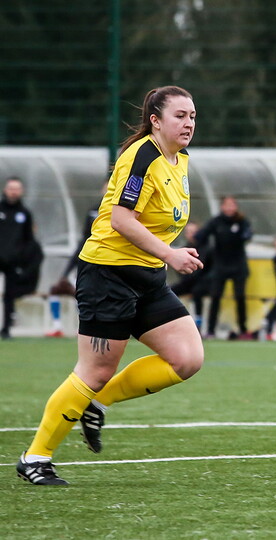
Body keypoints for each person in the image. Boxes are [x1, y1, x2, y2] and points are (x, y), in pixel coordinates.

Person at [16, 86, 204, 485]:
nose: (188, 123)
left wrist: (168, 250)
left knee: (187, 358)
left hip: (148, 276)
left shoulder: (180, 159)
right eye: (179, 116)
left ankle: (97, 405)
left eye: (192, 116)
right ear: (155, 120)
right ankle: (35, 458)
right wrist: (171, 255)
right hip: (108, 275)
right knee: (94, 372)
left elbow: (156, 220)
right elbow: (121, 220)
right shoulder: (142, 156)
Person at [45, 180, 107, 337]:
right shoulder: (94, 210)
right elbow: (85, 239)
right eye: (106, 187)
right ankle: (60, 326)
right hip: (89, 262)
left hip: (109, 263)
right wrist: (66, 274)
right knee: (58, 290)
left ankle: (96, 326)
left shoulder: (122, 210)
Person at [195, 195, 253, 339]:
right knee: (215, 297)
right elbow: (200, 236)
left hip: (239, 265)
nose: (229, 208)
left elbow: (248, 234)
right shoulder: (216, 222)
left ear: (236, 207)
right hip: (220, 265)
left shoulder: (241, 221)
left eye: (232, 205)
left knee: (240, 296)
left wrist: (245, 235)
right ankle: (211, 331)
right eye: (226, 205)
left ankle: (243, 330)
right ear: (222, 207)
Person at [0, 176, 44, 339]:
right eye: (11, 188)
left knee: (9, 296)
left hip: (12, 262)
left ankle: (6, 329)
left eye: (17, 188)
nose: (13, 192)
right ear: (5, 190)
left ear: (21, 191)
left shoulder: (24, 213)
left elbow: (29, 240)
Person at [170, 222, 211, 329]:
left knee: (197, 292)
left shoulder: (207, 249)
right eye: (189, 232)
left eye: (194, 232)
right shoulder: (184, 248)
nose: (192, 234)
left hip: (203, 283)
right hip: (188, 282)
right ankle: (172, 322)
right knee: (169, 292)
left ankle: (198, 323)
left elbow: (207, 270)